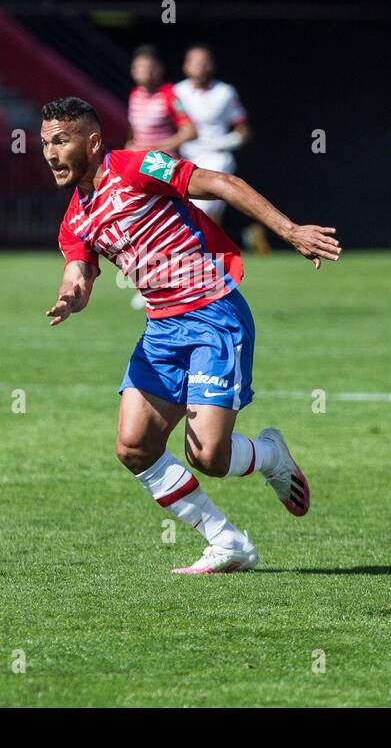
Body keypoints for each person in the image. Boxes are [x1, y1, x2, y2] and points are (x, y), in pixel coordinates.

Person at [42, 96, 341, 573]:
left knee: (207, 456)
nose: (51, 153)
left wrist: (289, 231)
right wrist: (71, 296)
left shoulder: (139, 166)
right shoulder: (75, 219)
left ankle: (269, 456)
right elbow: (78, 273)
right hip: (161, 330)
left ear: (93, 141)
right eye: (44, 144)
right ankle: (228, 543)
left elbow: (221, 183)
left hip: (213, 316)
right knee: (134, 447)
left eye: (60, 140)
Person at [126, 45, 197, 308]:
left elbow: (190, 131)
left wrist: (160, 147)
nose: (144, 72)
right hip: (138, 165)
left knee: (163, 224)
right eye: (139, 67)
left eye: (149, 67)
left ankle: (172, 282)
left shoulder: (169, 95)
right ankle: (149, 282)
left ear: (158, 70)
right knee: (138, 224)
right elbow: (133, 134)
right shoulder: (134, 95)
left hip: (161, 165)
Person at [172, 43, 251, 226]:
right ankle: (211, 251)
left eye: (205, 62)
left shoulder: (225, 92)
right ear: (186, 65)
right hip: (183, 158)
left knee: (203, 210)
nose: (200, 66)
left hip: (216, 158)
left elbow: (243, 130)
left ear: (212, 65)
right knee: (202, 215)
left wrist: (222, 143)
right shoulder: (176, 92)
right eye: (195, 62)